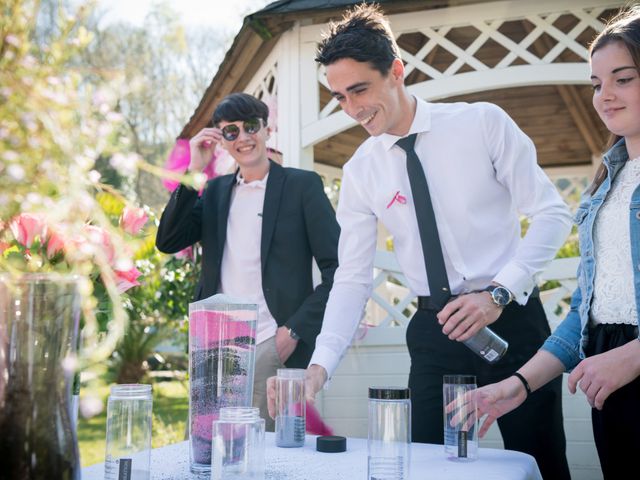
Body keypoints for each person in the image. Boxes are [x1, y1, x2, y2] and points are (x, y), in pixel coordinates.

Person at [268, 4, 573, 478]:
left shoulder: (482, 123)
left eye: (360, 90)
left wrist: (498, 293)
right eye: (340, 97)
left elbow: (552, 213)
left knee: (541, 462)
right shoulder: (360, 172)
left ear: (396, 70)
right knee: (429, 468)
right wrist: (320, 367)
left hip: (513, 322)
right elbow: (351, 278)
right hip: (434, 334)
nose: (352, 109)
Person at [465, 7, 640, 479]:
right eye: (597, 83)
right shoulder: (607, 183)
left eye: (622, 78)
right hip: (611, 384)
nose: (605, 96)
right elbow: (588, 309)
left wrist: (634, 355)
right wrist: (518, 385)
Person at [156, 92, 340, 431]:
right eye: (231, 131)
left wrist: (295, 331)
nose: (243, 137)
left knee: (267, 452)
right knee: (207, 446)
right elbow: (167, 241)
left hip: (273, 340)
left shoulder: (302, 186)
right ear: (222, 141)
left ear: (266, 130)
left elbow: (337, 269)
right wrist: (194, 170)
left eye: (251, 126)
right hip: (214, 343)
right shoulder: (214, 192)